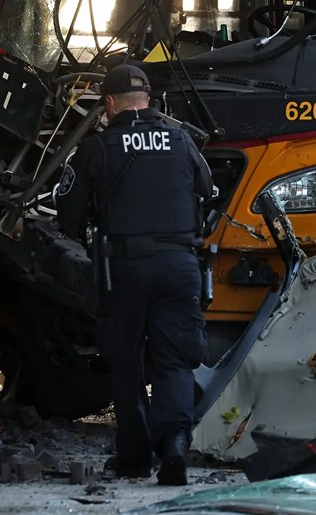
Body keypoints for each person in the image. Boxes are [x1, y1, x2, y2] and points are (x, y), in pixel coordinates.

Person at [56, 63, 212, 486]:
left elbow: (67, 217)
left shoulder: (96, 147)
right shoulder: (182, 140)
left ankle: (135, 457)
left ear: (108, 104)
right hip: (180, 265)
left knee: (124, 360)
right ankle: (176, 442)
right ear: (148, 101)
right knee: (175, 361)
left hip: (123, 266)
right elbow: (207, 188)